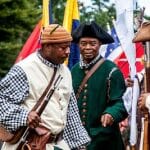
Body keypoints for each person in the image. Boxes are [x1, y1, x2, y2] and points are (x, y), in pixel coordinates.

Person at [0, 24, 90, 150]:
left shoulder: (66, 71)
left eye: (69, 47)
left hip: (58, 144)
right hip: (28, 144)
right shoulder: (24, 69)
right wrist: (24, 116)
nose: (68, 52)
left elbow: (71, 112)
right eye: (63, 48)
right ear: (47, 46)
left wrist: (79, 144)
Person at [71, 21, 128, 150]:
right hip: (77, 140)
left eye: (93, 43)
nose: (88, 47)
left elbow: (120, 103)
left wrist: (111, 113)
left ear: (100, 44)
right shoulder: (73, 70)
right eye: (83, 43)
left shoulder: (112, 70)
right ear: (78, 45)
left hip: (104, 140)